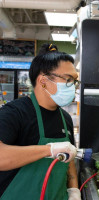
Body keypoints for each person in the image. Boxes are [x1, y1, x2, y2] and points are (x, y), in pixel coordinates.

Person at [0, 44, 81, 200]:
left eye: (75, 81)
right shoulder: (14, 113)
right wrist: (48, 150)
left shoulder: (66, 118)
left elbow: (68, 161)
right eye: (68, 80)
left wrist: (73, 190)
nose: (74, 87)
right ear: (43, 81)